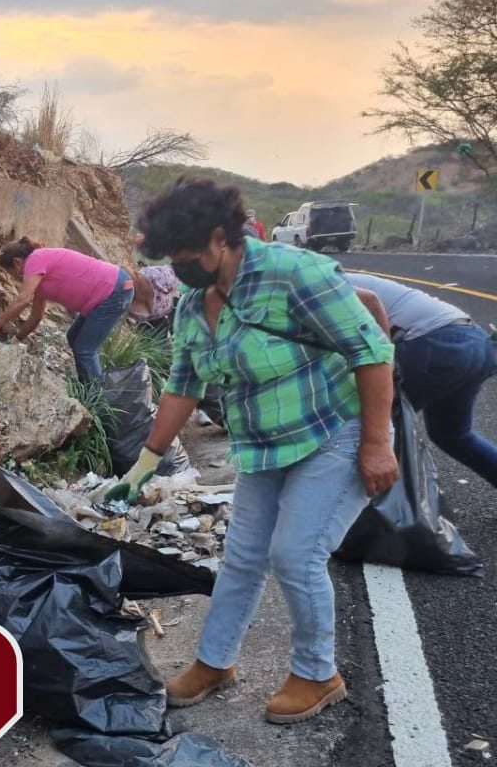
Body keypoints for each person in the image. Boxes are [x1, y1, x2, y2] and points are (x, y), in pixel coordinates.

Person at [106, 177, 398, 725]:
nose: (179, 264)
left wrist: (377, 444)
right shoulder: (194, 305)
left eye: (186, 253)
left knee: (295, 554)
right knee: (240, 558)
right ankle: (215, 662)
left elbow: (372, 350)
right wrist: (144, 464)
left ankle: (318, 673)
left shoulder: (294, 273)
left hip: (332, 432)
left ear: (220, 237)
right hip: (265, 447)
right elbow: (182, 386)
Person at [348, 272, 497, 488]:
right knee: (452, 436)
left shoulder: (311, 282)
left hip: (434, 343)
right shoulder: (321, 275)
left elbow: (370, 301)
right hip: (473, 342)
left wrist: (385, 366)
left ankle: (387, 515)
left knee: (375, 426)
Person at [0, 237, 133, 386]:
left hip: (114, 290)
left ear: (17, 262)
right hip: (109, 291)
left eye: (13, 274)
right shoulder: (40, 277)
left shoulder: (35, 259)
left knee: (85, 349)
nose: (17, 279)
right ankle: (87, 386)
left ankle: (98, 400)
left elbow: (23, 299)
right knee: (73, 337)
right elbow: (36, 317)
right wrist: (16, 340)